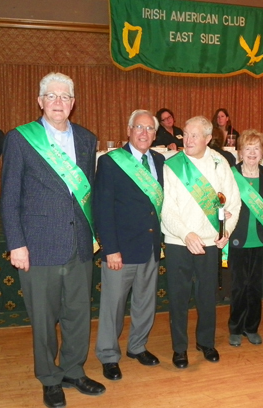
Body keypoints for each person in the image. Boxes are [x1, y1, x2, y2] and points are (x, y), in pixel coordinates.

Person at [1, 72, 105, 408]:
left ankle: (74, 370)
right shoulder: (20, 139)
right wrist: (16, 244)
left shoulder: (88, 139)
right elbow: (10, 195)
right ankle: (49, 377)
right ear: (40, 101)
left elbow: (86, 194)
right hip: (38, 245)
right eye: (52, 96)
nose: (58, 102)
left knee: (77, 313)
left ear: (73, 103)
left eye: (65, 96)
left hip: (78, 243)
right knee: (44, 319)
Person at [161, 115, 241, 369]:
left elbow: (234, 202)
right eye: (185, 134)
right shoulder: (171, 165)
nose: (188, 139)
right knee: (178, 297)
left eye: (195, 135)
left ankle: (206, 342)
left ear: (208, 139)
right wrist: (186, 234)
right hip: (178, 242)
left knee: (207, 296)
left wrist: (225, 230)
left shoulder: (221, 164)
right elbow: (166, 207)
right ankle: (179, 348)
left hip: (209, 243)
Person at [93, 110, 165, 381]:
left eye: (149, 129)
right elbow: (103, 208)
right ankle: (109, 355)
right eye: (139, 127)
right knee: (113, 306)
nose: (144, 133)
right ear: (129, 129)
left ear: (155, 134)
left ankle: (137, 347)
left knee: (145, 303)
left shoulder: (158, 159)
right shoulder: (111, 162)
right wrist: (110, 248)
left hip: (149, 245)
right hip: (120, 250)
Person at [228, 129, 263, 347]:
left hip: (261, 240)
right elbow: (219, 202)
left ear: (262, 153)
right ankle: (235, 328)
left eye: (256, 148)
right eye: (247, 148)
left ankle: (251, 328)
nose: (252, 152)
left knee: (256, 287)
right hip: (237, 239)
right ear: (240, 152)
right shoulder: (231, 173)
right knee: (238, 286)